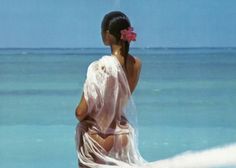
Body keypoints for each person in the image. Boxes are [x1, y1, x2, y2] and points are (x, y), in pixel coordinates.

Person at [75, 11, 236, 168]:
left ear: (108, 35)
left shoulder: (100, 67)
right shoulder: (136, 64)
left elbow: (81, 112)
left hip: (99, 136)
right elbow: (122, 98)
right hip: (123, 134)